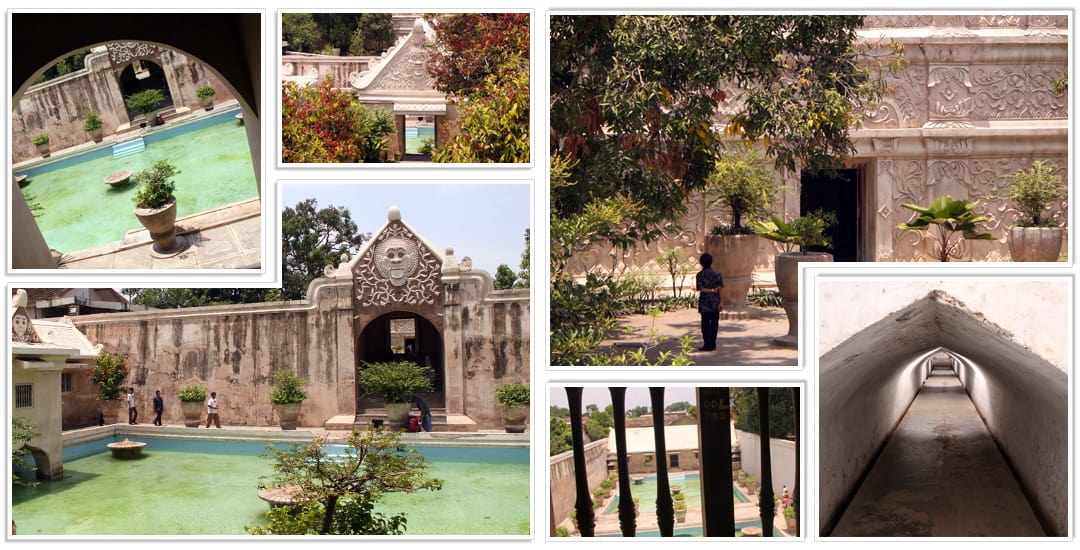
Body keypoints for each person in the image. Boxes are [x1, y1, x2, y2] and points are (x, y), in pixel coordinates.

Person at [695, 252, 725, 351]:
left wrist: (710, 290)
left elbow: (700, 288)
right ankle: (713, 343)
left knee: (705, 324)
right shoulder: (717, 274)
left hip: (705, 302)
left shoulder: (700, 275)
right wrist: (721, 302)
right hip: (715, 301)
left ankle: (707, 343)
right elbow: (720, 288)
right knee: (714, 323)